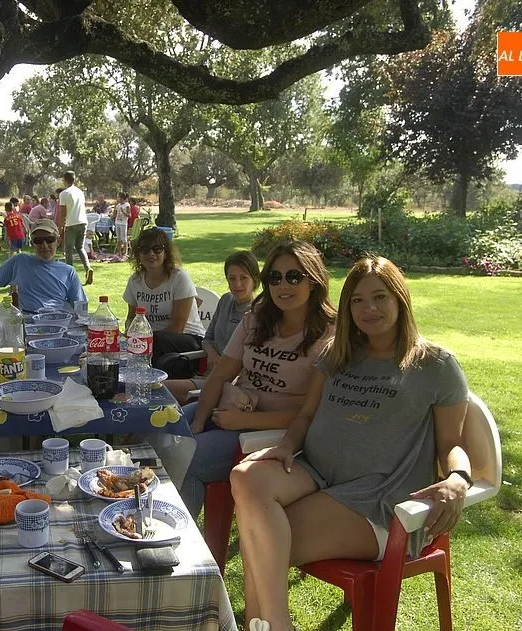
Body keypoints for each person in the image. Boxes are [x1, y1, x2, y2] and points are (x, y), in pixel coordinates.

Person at [231, 256, 472, 631]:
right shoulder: (338, 354)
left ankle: (265, 624)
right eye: (357, 300)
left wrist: (459, 478)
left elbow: (450, 444)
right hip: (317, 471)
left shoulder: (435, 365)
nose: (368, 308)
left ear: (400, 299)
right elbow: (306, 416)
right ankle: (270, 624)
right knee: (246, 477)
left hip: (378, 497)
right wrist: (287, 445)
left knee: (260, 535)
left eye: (379, 297)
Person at [176, 242, 336, 518]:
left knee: (186, 459)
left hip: (275, 432)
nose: (283, 285)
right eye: (275, 277)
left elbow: (314, 412)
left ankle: (175, 536)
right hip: (231, 408)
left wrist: (245, 421)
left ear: (313, 280)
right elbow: (221, 374)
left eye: (293, 277)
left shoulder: (330, 333)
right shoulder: (257, 319)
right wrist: (200, 421)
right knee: (166, 434)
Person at [164, 250, 262, 405]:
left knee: (160, 390)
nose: (237, 284)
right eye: (232, 278)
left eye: (244, 278)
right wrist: (213, 355)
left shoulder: (258, 313)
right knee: (158, 388)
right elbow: (207, 339)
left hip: (232, 385)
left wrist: (222, 369)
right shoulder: (226, 300)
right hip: (209, 376)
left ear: (255, 279)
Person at [122, 228, 207, 368]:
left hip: (189, 342)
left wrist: (142, 340)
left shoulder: (179, 277)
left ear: (166, 252)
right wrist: (129, 335)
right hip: (151, 343)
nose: (151, 254)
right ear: (138, 253)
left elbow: (177, 327)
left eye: (157, 249)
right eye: (144, 249)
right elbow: (131, 317)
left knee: (154, 343)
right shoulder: (135, 281)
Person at [0, 219, 87, 312]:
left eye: (49, 240)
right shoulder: (20, 261)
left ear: (58, 241)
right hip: (26, 322)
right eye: (38, 241)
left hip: (57, 322)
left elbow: (80, 306)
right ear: (32, 243)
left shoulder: (68, 272)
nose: (44, 245)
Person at [58, 171, 94, 285]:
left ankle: (70, 276)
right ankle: (88, 268)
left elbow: (62, 213)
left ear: (64, 180)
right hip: (83, 222)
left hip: (71, 223)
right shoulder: (80, 192)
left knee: (68, 250)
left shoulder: (64, 194)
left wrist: (60, 228)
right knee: (80, 247)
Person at [113, 192, 131, 257]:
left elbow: (129, 215)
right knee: (118, 238)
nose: (117, 198)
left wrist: (123, 212)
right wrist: (113, 212)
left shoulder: (127, 205)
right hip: (117, 222)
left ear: (122, 198)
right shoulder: (118, 205)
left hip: (123, 223)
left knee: (124, 238)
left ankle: (125, 252)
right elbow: (114, 214)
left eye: (118, 197)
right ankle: (119, 252)